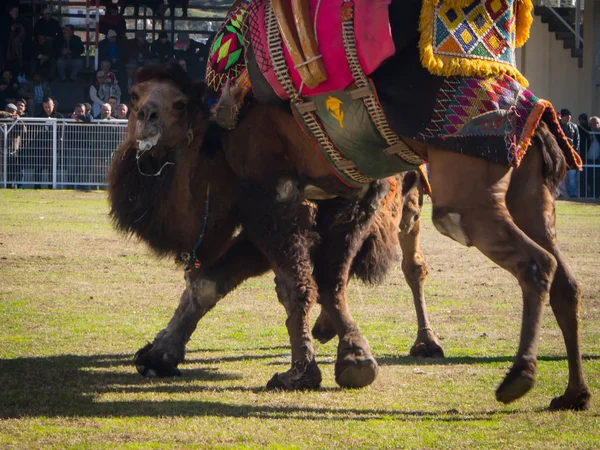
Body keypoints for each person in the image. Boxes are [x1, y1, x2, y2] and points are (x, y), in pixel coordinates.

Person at [558, 108, 580, 198]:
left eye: (569, 116)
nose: (568, 118)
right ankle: (561, 193)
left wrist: (576, 150)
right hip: (560, 152)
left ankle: (572, 193)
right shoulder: (557, 126)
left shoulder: (574, 126)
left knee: (572, 174)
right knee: (560, 174)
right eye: (566, 116)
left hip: (571, 153)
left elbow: (577, 140)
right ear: (561, 117)